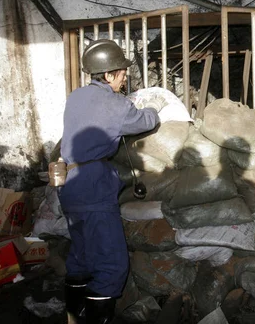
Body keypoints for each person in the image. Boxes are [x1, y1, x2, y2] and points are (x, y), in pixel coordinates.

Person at [59, 39, 165, 324]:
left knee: (81, 255)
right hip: (93, 186)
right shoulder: (114, 104)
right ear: (107, 75)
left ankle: (73, 317)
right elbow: (145, 121)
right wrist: (154, 107)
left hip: (68, 184)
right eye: (120, 74)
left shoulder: (77, 96)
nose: (123, 79)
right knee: (112, 265)